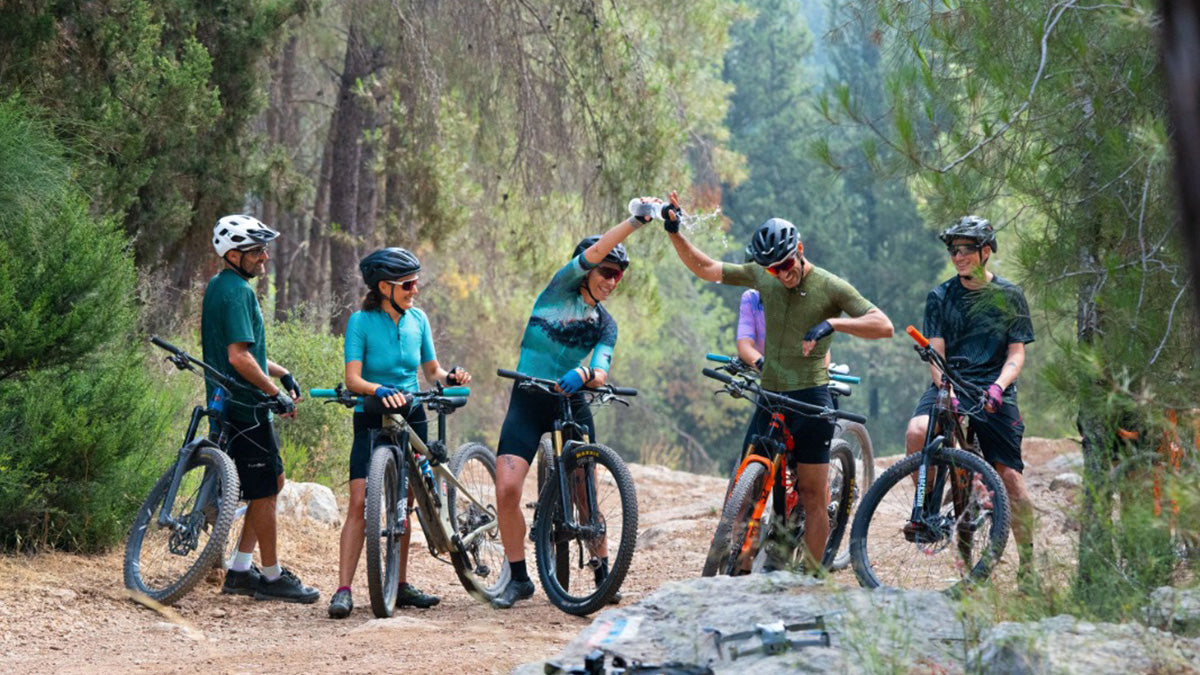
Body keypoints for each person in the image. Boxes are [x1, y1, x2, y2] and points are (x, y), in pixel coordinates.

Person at [663, 198, 893, 568]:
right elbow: (705, 268)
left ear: (799, 250)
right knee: (748, 484)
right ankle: (737, 563)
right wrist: (674, 232)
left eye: (786, 265)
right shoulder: (762, 276)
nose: (781, 274)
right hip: (771, 396)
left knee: (812, 495)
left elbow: (883, 325)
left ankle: (812, 581)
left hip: (811, 399)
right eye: (772, 270)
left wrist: (833, 324)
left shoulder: (829, 286)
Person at [490, 199, 656, 609]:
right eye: (606, 272)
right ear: (586, 269)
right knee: (507, 488)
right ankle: (518, 576)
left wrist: (585, 375)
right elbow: (599, 250)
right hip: (529, 396)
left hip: (570, 401)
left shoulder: (606, 324)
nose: (612, 281)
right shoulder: (560, 287)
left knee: (587, 490)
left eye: (619, 276)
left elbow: (600, 369)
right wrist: (636, 222)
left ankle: (602, 571)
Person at [327, 247, 472, 619]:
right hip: (372, 414)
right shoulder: (361, 322)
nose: (415, 290)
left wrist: (450, 376)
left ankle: (401, 584)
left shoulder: (417, 319)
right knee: (360, 503)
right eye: (407, 284)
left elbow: (433, 371)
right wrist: (377, 390)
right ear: (384, 287)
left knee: (403, 505)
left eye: (416, 283)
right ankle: (343, 589)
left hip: (412, 414)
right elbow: (352, 378)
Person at [904, 215, 1037, 589]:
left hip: (994, 389)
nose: (958, 256)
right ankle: (927, 510)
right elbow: (936, 353)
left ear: (986, 251)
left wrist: (998, 386)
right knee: (917, 432)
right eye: (953, 250)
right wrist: (945, 388)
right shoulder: (940, 296)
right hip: (951, 383)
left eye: (965, 249)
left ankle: (1028, 563)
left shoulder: (1010, 296)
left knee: (1009, 477)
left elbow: (1016, 354)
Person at [203, 214, 320, 603]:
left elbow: (244, 352)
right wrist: (275, 394)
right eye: (256, 251)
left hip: (229, 402)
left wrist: (281, 373)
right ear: (234, 254)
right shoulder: (239, 292)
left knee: (272, 484)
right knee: (267, 490)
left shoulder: (219, 286)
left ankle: (239, 569)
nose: (264, 257)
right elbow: (238, 357)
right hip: (246, 408)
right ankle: (270, 577)